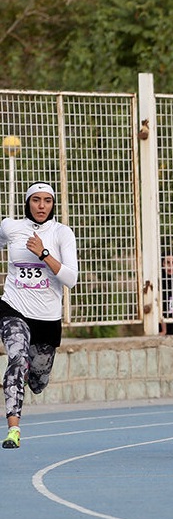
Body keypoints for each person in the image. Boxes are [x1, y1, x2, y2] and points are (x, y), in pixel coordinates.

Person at [0, 182, 78, 449]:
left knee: (37, 382)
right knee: (16, 359)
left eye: (47, 200)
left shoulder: (61, 234)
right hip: (14, 308)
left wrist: (44, 254)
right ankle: (13, 429)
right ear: (27, 202)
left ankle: (31, 372)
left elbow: (71, 279)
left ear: (53, 204)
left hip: (46, 318)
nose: (41, 206)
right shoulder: (11, 228)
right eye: (36, 200)